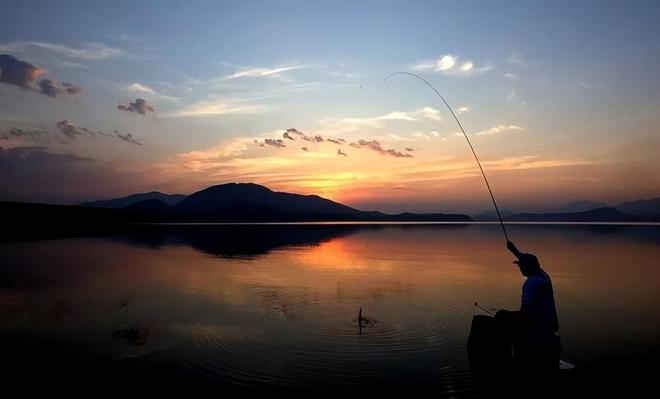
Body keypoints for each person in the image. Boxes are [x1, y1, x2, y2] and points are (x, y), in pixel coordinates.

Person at [496, 240, 561, 373]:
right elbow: (528, 261)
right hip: (551, 325)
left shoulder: (531, 284)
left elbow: (525, 313)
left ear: (527, 267)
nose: (520, 268)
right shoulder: (543, 275)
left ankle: (505, 358)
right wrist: (514, 250)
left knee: (501, 315)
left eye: (521, 266)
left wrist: (510, 319)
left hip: (538, 328)